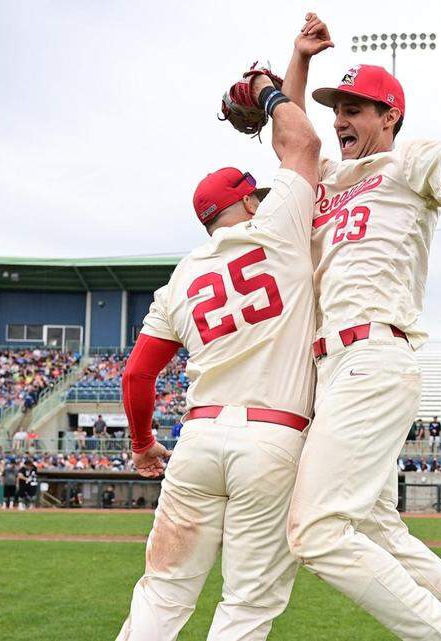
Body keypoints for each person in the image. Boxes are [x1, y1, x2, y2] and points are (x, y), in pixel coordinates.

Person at [281, 11, 441, 641]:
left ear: (391, 117)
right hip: (333, 366)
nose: (342, 118)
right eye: (338, 107)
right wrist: (299, 61)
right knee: (376, 527)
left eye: (357, 108)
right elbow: (293, 141)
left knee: (315, 530)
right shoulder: (330, 178)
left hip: (373, 352)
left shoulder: (407, 163)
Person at [113, 44, 322, 641]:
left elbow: (136, 377)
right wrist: (270, 92)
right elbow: (302, 147)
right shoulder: (277, 225)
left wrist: (143, 443)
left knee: (162, 590)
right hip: (272, 438)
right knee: (247, 604)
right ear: (247, 200)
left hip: (197, 440)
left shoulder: (181, 275)